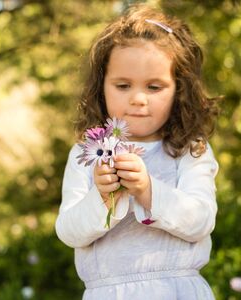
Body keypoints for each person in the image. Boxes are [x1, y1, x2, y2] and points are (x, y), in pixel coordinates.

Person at [55, 4, 219, 299]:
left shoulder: (189, 150)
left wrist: (147, 189)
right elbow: (69, 231)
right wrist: (103, 198)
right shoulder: (88, 152)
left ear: (178, 90)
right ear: (101, 87)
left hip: (177, 289)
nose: (138, 99)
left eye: (154, 87)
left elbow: (201, 221)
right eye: (123, 85)